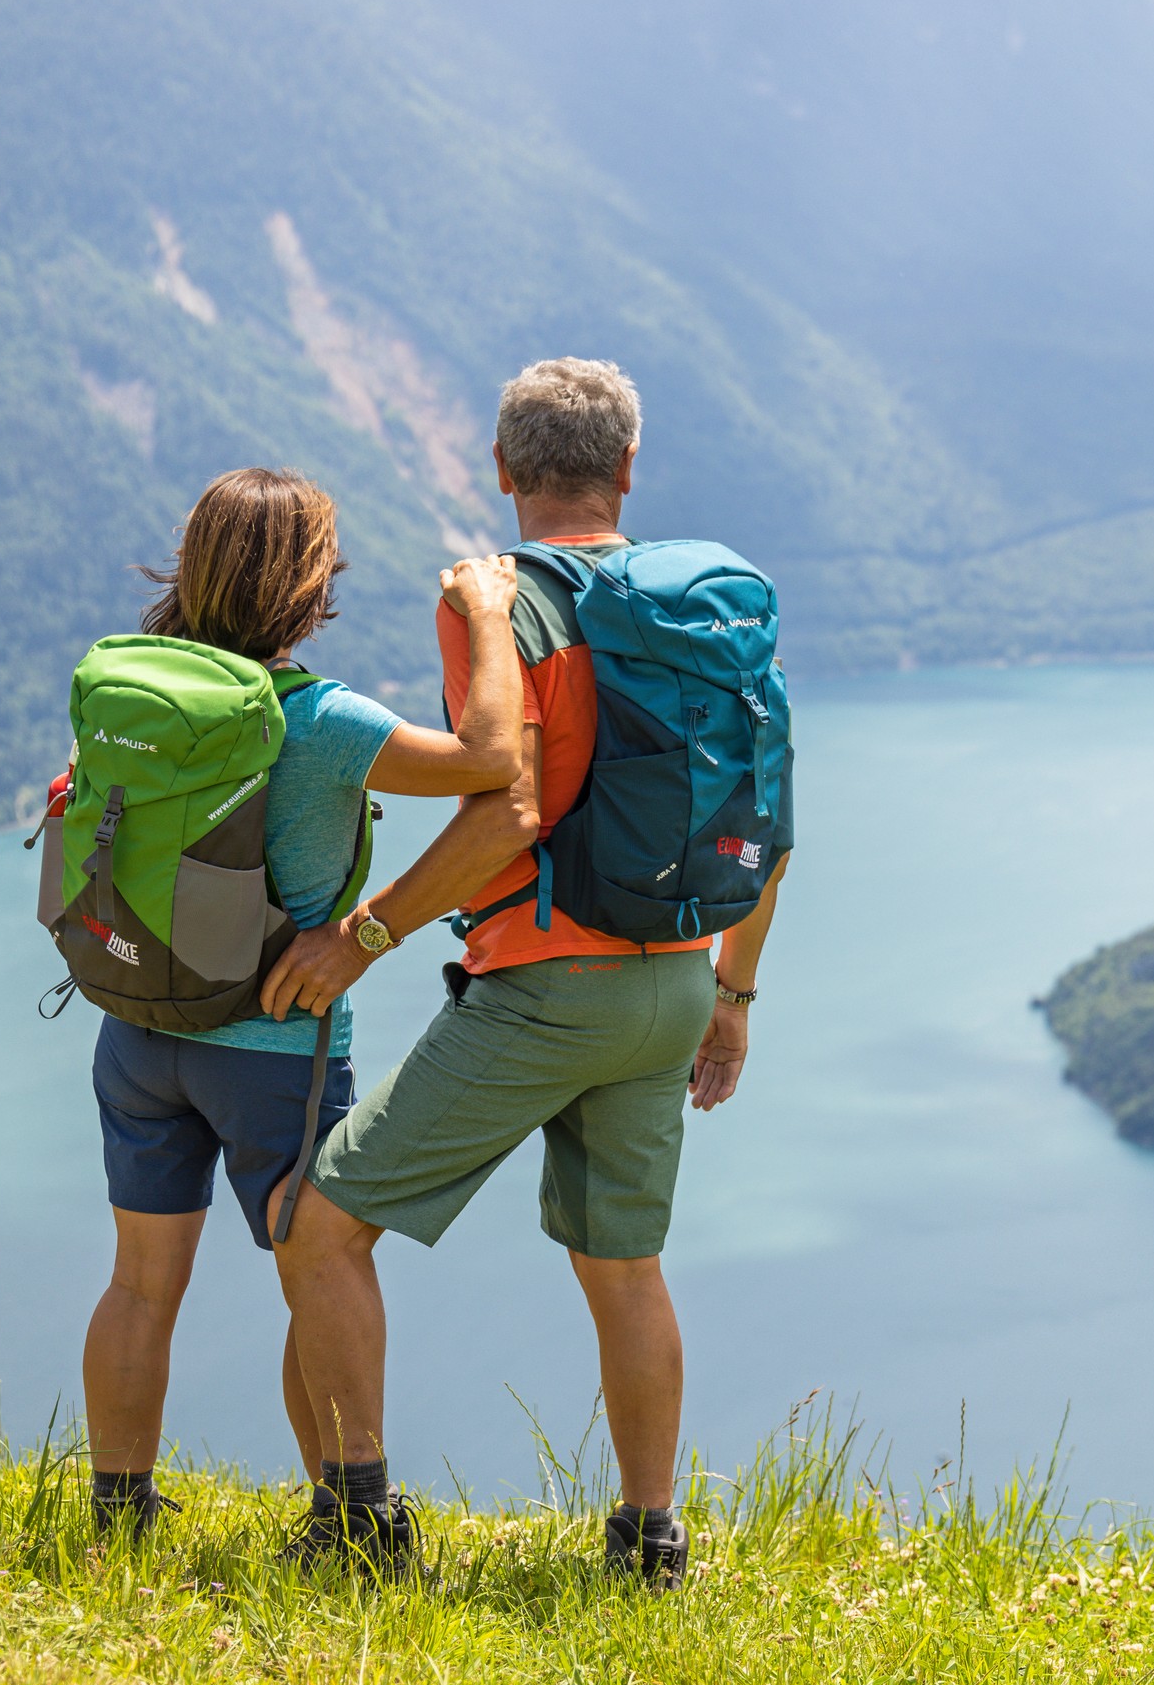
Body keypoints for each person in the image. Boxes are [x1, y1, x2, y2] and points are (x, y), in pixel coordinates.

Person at [257, 358, 791, 1581]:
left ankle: (357, 1529)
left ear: (500, 471)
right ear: (629, 467)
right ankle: (650, 1543)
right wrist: (732, 1000)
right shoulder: (707, 615)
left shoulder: (499, 603)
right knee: (625, 1270)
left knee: (317, 1229)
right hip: (674, 982)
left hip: (548, 983)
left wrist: (363, 936)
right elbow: (774, 828)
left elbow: (508, 810)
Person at [80, 467, 525, 1537]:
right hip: (274, 1042)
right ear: (306, 582)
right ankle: (355, 1516)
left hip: (137, 1028)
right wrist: (490, 616)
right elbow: (493, 765)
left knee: (141, 1282)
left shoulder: (137, 687)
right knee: (319, 1261)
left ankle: (118, 1515)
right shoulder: (319, 720)